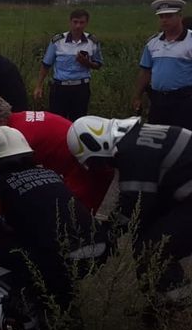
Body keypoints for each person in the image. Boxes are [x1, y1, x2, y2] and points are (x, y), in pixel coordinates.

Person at [0, 126, 107, 310]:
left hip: (64, 257)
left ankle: (23, 294)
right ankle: (60, 297)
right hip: (99, 246)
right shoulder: (51, 174)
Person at [68, 116, 192, 302]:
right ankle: (157, 298)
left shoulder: (131, 153)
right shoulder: (136, 136)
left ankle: (177, 304)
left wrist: (107, 233)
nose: (103, 166)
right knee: (146, 236)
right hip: (183, 193)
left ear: (96, 142)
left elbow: (135, 204)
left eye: (95, 162)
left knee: (152, 249)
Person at [0, 97, 114, 212]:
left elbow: (17, 180)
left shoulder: (15, 134)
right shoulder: (19, 118)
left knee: (73, 217)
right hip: (81, 160)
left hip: (87, 167)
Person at [132, 0, 192, 130]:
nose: (164, 20)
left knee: (183, 136)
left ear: (180, 16)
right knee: (157, 135)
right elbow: (145, 72)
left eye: (169, 16)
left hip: (184, 100)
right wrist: (137, 96)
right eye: (161, 17)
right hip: (158, 100)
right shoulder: (153, 42)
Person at [34, 9, 103, 120]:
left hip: (81, 88)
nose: (78, 26)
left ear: (86, 23)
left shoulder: (92, 42)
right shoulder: (58, 41)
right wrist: (39, 86)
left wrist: (87, 63)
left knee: (78, 122)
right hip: (60, 88)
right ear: (70, 22)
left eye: (81, 22)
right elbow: (46, 64)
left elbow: (98, 64)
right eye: (75, 22)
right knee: (57, 121)